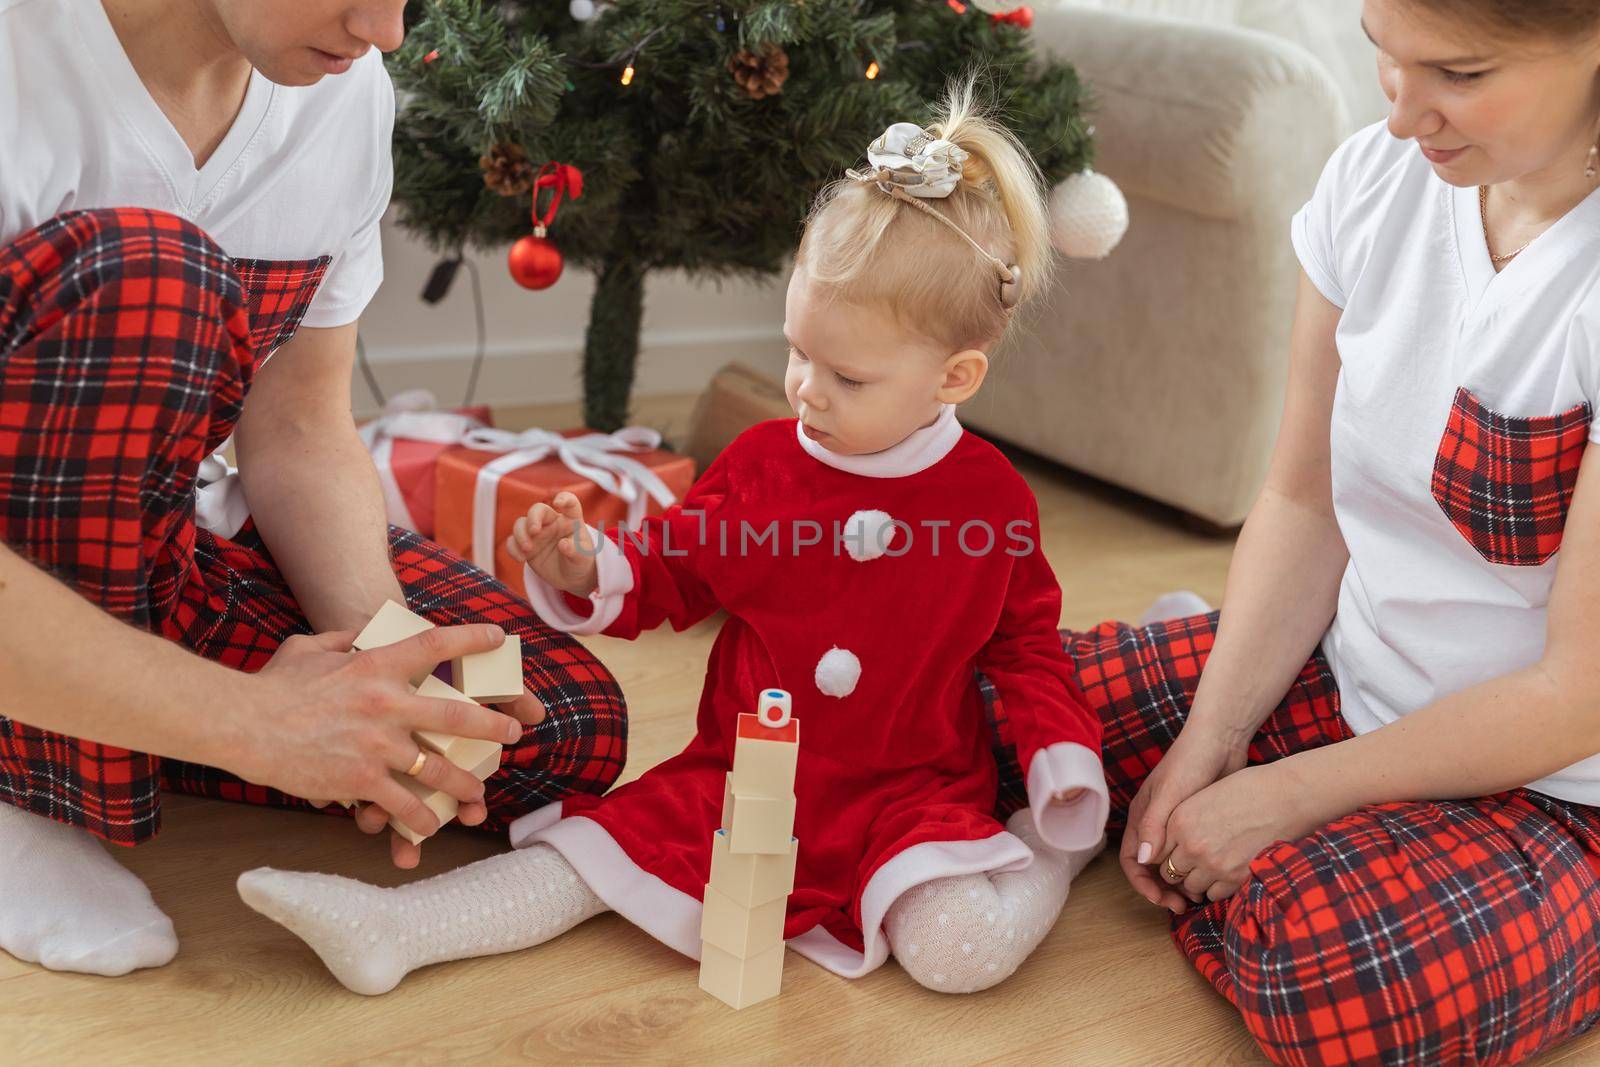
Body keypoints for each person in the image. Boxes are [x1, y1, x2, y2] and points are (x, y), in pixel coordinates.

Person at [233, 81, 1110, 998]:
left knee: (958, 956)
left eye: (846, 375)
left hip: (913, 795)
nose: (805, 388)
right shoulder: (768, 462)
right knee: (588, 854)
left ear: (955, 376)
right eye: (796, 351)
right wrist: (585, 564)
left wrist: (1061, 780)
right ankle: (396, 926)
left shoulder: (990, 500)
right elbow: (673, 565)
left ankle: (1048, 861)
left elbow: (1025, 648)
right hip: (743, 775)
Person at [993, 0, 1600, 1061]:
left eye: (1458, 72)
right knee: (984, 702)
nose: (1407, 113)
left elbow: (1574, 695)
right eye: (1383, 54)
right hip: (1341, 674)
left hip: (1556, 792)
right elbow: (1302, 500)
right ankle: (1297, 850)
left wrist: (1282, 795)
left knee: (1323, 962)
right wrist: (1207, 745)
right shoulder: (1373, 180)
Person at [0, 0, 626, 979]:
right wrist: (256, 724)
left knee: (545, 724)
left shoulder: (341, 93)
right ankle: (28, 790)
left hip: (168, 555)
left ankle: (123, 710)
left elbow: (294, 427)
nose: (383, 29)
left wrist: (391, 663)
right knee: (158, 277)